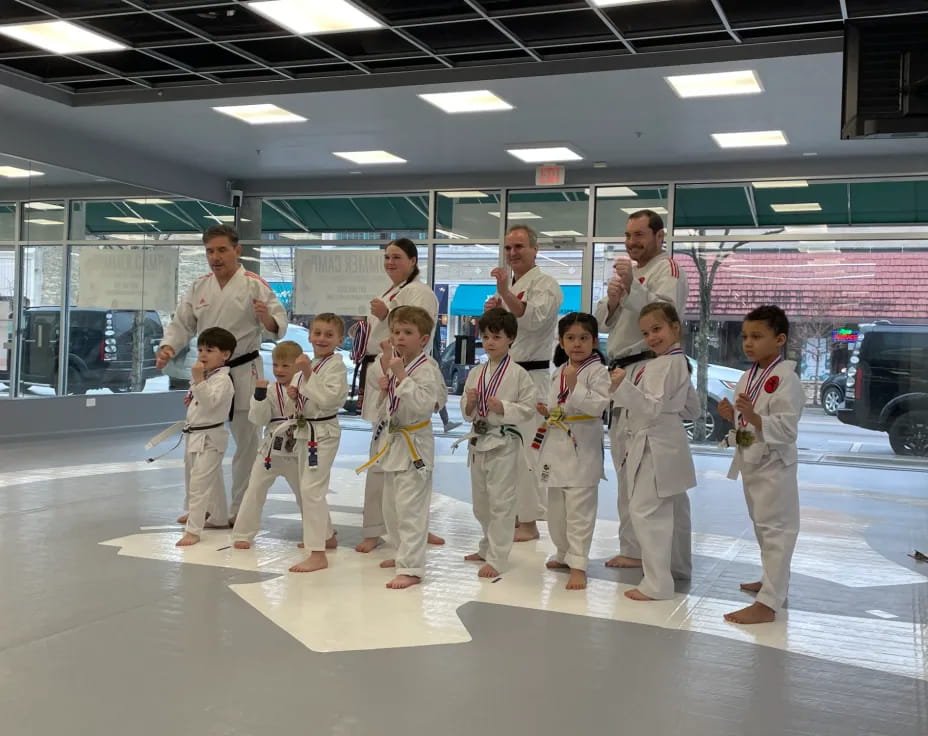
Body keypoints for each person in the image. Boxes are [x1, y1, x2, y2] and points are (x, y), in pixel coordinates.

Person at [156, 225, 287, 527]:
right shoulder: (199, 287)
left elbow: (278, 325)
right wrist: (167, 347)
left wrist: (265, 316)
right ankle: (200, 507)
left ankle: (241, 508)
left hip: (244, 370)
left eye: (221, 250)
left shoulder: (254, 285)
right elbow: (182, 323)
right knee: (200, 441)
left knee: (247, 442)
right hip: (207, 373)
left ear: (237, 250)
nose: (215, 257)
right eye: (210, 251)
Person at [593, 209, 690, 572]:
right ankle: (632, 547)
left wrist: (634, 286)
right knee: (624, 466)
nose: (632, 242)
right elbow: (602, 320)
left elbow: (664, 315)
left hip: (649, 365)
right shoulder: (627, 274)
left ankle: (672, 560)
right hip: (621, 368)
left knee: (658, 477)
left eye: (640, 235)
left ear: (659, 236)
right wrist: (616, 296)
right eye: (628, 235)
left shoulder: (669, 270)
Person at [352, 238, 444, 553]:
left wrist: (387, 311)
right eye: (387, 257)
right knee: (380, 454)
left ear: (413, 260)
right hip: (384, 373)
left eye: (397, 257)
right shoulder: (389, 291)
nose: (390, 262)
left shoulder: (419, 292)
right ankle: (377, 527)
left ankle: (411, 527)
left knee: (404, 463)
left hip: (405, 375)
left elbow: (418, 331)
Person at [718, 305, 803, 625]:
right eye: (744, 337)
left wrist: (753, 417)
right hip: (751, 459)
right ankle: (772, 581)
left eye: (757, 336)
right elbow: (748, 418)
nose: (748, 343)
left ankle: (769, 602)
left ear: (779, 339)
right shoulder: (748, 375)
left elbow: (787, 430)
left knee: (777, 531)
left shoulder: (787, 380)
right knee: (763, 527)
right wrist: (734, 416)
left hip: (774, 465)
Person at [610, 303, 699, 601]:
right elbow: (693, 409)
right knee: (674, 508)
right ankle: (677, 567)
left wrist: (621, 388)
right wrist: (669, 411)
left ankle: (657, 584)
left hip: (656, 443)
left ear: (676, 326)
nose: (651, 337)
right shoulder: (680, 362)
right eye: (646, 333)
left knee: (646, 511)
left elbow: (650, 407)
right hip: (670, 440)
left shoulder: (663, 364)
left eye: (657, 329)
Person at [355, 306, 446, 589]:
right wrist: (385, 388)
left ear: (424, 339)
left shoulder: (426, 369)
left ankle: (412, 567)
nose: (400, 338)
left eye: (408, 332)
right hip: (394, 443)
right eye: (396, 332)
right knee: (391, 507)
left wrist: (402, 378)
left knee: (411, 509)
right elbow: (390, 408)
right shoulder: (399, 365)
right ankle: (400, 554)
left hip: (415, 445)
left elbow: (423, 406)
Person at [485, 224, 563, 542]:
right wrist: (493, 311)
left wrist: (504, 294)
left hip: (532, 375)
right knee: (505, 451)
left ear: (535, 249)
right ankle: (515, 515)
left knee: (528, 452)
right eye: (508, 248)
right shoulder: (512, 286)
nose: (513, 253)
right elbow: (501, 331)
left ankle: (529, 522)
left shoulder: (547, 285)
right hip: (506, 373)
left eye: (519, 247)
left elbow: (531, 319)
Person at [229, 339, 337, 554]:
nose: (279, 370)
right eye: (276, 365)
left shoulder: (307, 388)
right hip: (270, 449)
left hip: (299, 448)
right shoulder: (269, 389)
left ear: (299, 366)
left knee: (306, 494)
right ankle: (243, 533)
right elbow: (258, 419)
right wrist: (258, 396)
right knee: (254, 489)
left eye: (286, 366)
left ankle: (326, 535)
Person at [534, 313, 611, 590]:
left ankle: (579, 564)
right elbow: (560, 404)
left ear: (594, 341)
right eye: (570, 338)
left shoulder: (599, 372)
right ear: (561, 341)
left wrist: (575, 387)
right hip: (557, 444)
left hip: (582, 448)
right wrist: (548, 410)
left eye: (583, 338)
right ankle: (564, 553)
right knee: (556, 510)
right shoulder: (559, 370)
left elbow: (597, 407)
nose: (577, 344)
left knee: (580, 511)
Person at [459, 308, 536, 578]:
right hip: (478, 440)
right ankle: (486, 546)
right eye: (486, 336)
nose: (490, 342)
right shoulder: (476, 372)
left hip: (503, 442)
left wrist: (502, 406)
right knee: (480, 502)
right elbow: (466, 410)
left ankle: (498, 557)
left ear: (511, 339)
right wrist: (469, 404)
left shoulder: (518, 374)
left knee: (501, 502)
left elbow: (528, 408)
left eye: (497, 337)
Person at [289, 313, 349, 573]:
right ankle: (326, 536)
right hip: (307, 430)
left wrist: (305, 374)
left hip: (323, 431)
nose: (321, 339)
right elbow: (301, 392)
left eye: (328, 334)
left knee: (312, 489)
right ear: (309, 334)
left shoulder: (336, 366)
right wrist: (294, 391)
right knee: (308, 488)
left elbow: (328, 399)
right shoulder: (313, 362)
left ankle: (317, 552)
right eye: (317, 333)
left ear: (339, 340)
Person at [176, 327, 236, 547]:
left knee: (199, 484)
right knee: (201, 479)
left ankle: (194, 529)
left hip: (211, 437)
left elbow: (211, 403)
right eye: (200, 349)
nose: (202, 354)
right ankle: (217, 517)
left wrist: (199, 381)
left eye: (210, 350)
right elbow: (201, 401)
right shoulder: (208, 377)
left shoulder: (223, 381)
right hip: (195, 435)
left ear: (225, 355)